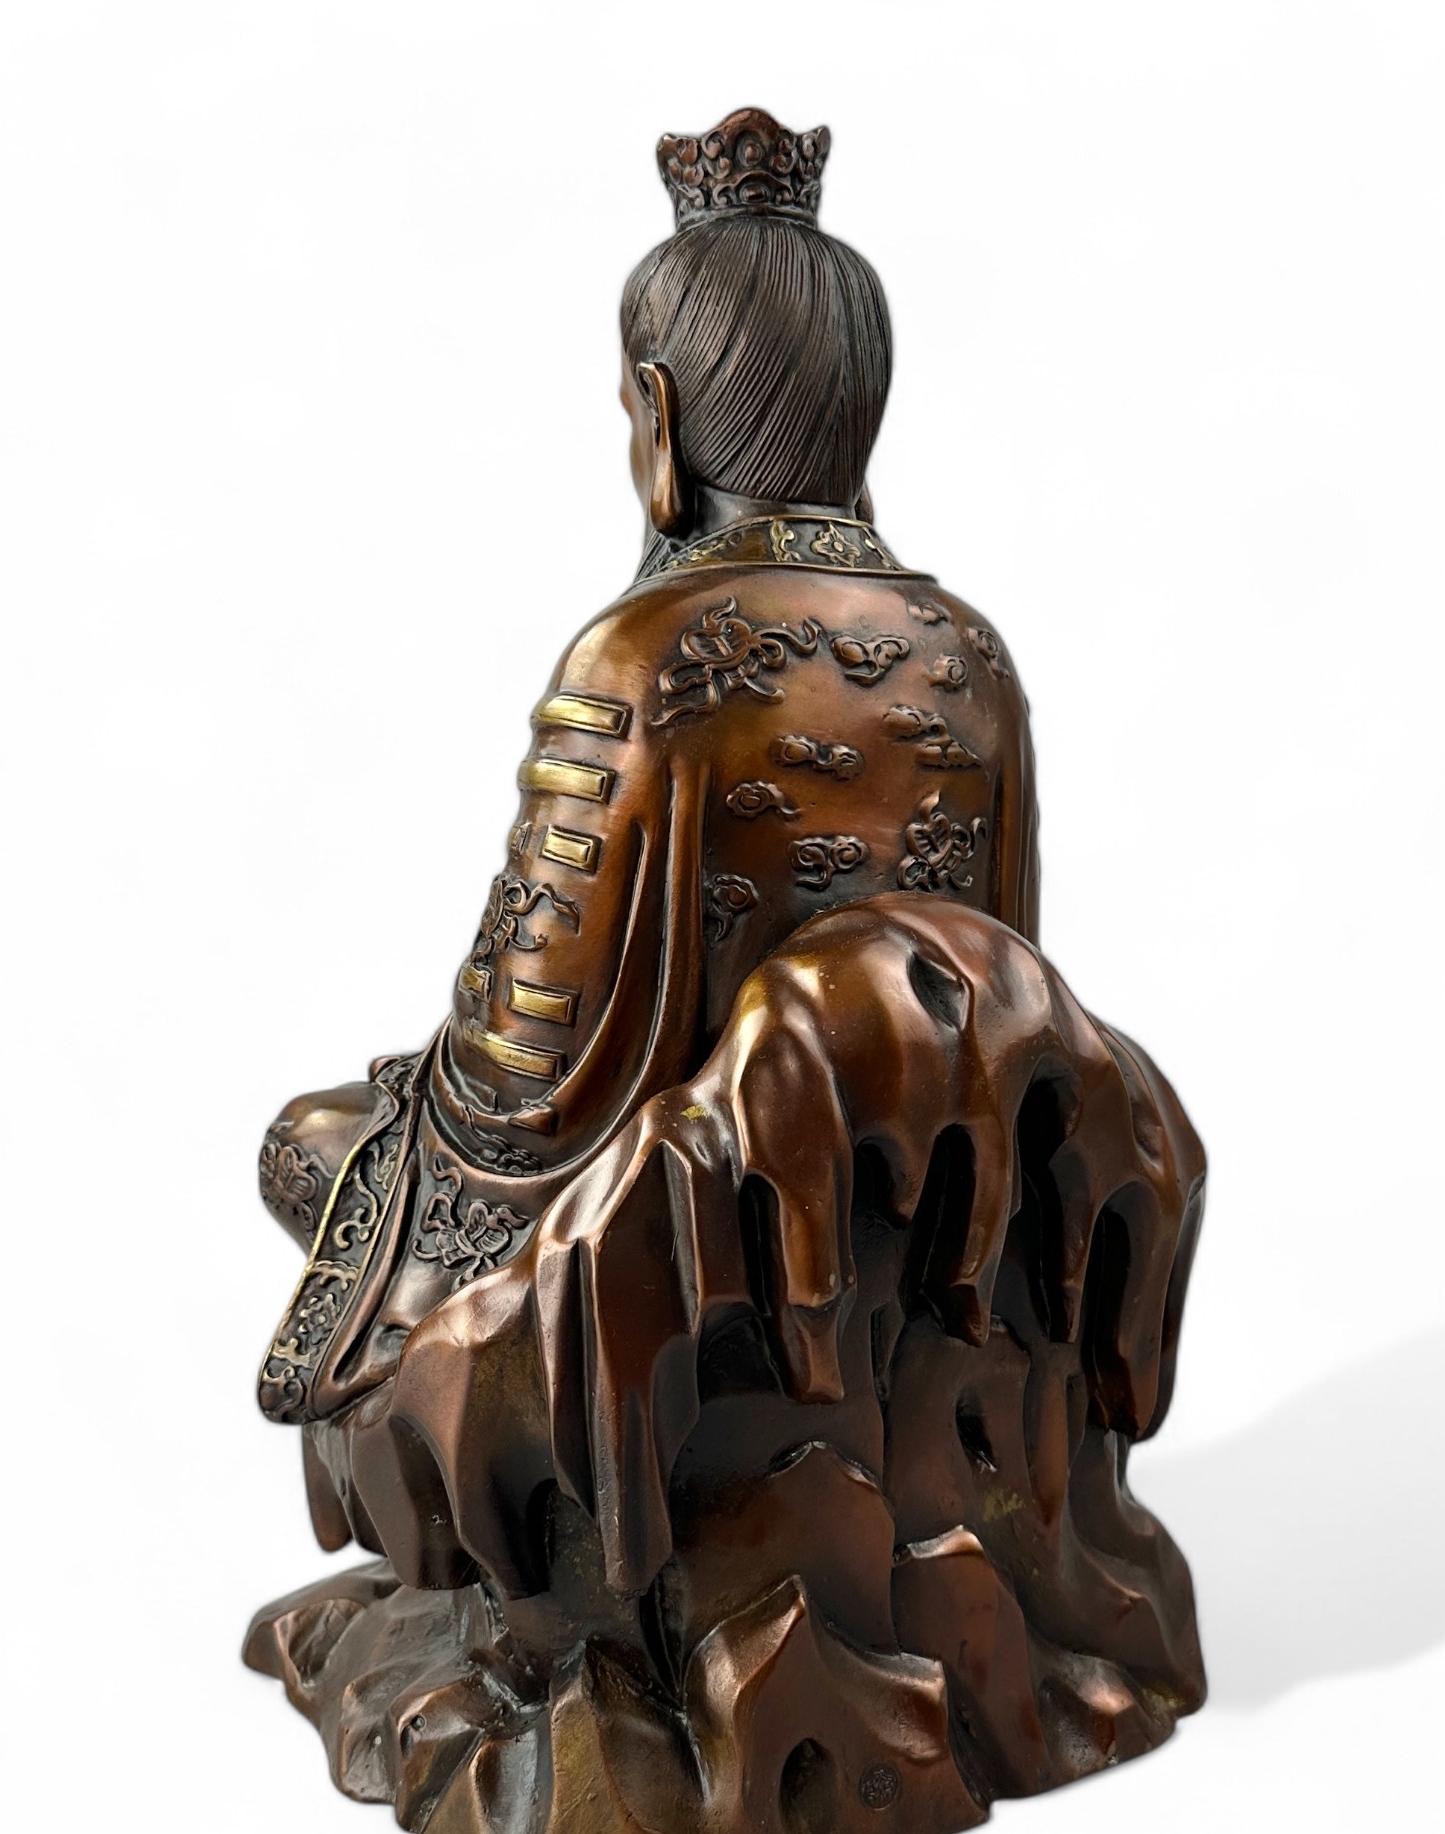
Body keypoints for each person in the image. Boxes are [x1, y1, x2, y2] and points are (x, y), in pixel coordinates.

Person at [257, 107, 1038, 1424]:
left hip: (669, 1220)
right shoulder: (975, 658)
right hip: (905, 1223)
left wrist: (412, 1097)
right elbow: (1008, 1007)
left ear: (661, 418)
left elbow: (521, 1083)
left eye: (631, 411)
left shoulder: (643, 652)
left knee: (306, 1143)